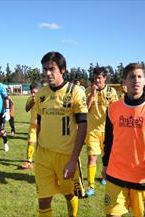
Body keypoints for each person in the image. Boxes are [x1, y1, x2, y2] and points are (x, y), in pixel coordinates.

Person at [102, 63, 145, 217]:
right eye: (132, 77)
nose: (136, 80)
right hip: (116, 174)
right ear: (124, 82)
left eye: (140, 76)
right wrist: (105, 163)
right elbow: (109, 141)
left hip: (143, 178)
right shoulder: (113, 109)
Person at [35, 51, 87, 217]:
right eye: (45, 69)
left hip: (66, 156)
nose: (48, 73)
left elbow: (82, 126)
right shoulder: (41, 94)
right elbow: (39, 123)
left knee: (69, 194)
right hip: (43, 155)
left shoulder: (75, 92)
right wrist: (37, 146)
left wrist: (73, 160)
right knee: (43, 199)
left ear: (63, 69)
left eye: (52, 69)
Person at [84, 67, 118, 197]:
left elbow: (115, 111)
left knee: (107, 158)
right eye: (95, 78)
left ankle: (105, 176)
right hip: (92, 130)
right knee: (92, 157)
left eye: (99, 78)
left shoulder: (111, 91)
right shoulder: (88, 90)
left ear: (105, 78)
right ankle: (90, 185)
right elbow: (85, 108)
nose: (97, 80)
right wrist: (92, 95)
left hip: (108, 131)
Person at [20, 84, 38, 169]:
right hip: (33, 125)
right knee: (31, 142)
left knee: (42, 145)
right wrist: (32, 102)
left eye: (35, 92)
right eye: (32, 92)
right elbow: (27, 109)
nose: (33, 94)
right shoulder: (30, 98)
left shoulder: (43, 98)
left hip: (43, 125)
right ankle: (29, 161)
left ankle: (41, 162)